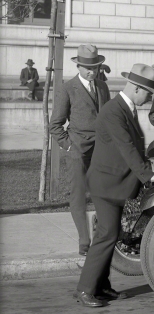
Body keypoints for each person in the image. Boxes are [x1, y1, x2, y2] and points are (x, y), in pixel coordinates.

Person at [74, 63, 154, 308]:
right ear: (136, 88)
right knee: (107, 235)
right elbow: (126, 147)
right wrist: (148, 174)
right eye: (148, 92)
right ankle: (85, 290)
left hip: (112, 183)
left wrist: (150, 164)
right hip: (106, 184)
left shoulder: (125, 108)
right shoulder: (115, 111)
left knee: (109, 235)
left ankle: (101, 287)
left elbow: (134, 147)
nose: (149, 98)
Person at [49, 45, 111, 256]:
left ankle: (102, 237)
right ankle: (84, 241)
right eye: (87, 67)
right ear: (79, 66)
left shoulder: (102, 87)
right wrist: (68, 146)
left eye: (94, 67)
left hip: (101, 151)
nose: (91, 71)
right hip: (77, 150)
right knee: (78, 197)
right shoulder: (68, 88)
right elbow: (55, 124)